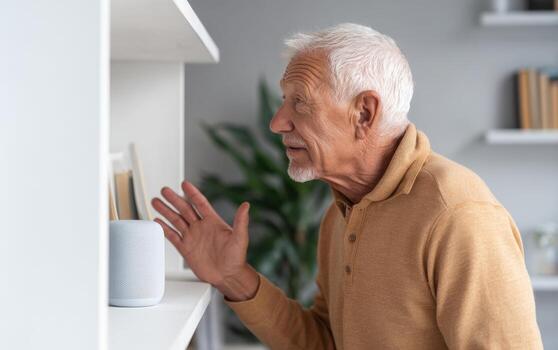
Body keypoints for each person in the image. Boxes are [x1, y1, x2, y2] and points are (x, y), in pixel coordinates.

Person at [151, 23, 543, 349]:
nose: (277, 123)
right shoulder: (341, 212)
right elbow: (326, 342)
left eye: (300, 102)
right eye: (283, 101)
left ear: (364, 113)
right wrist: (232, 276)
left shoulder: (457, 214)